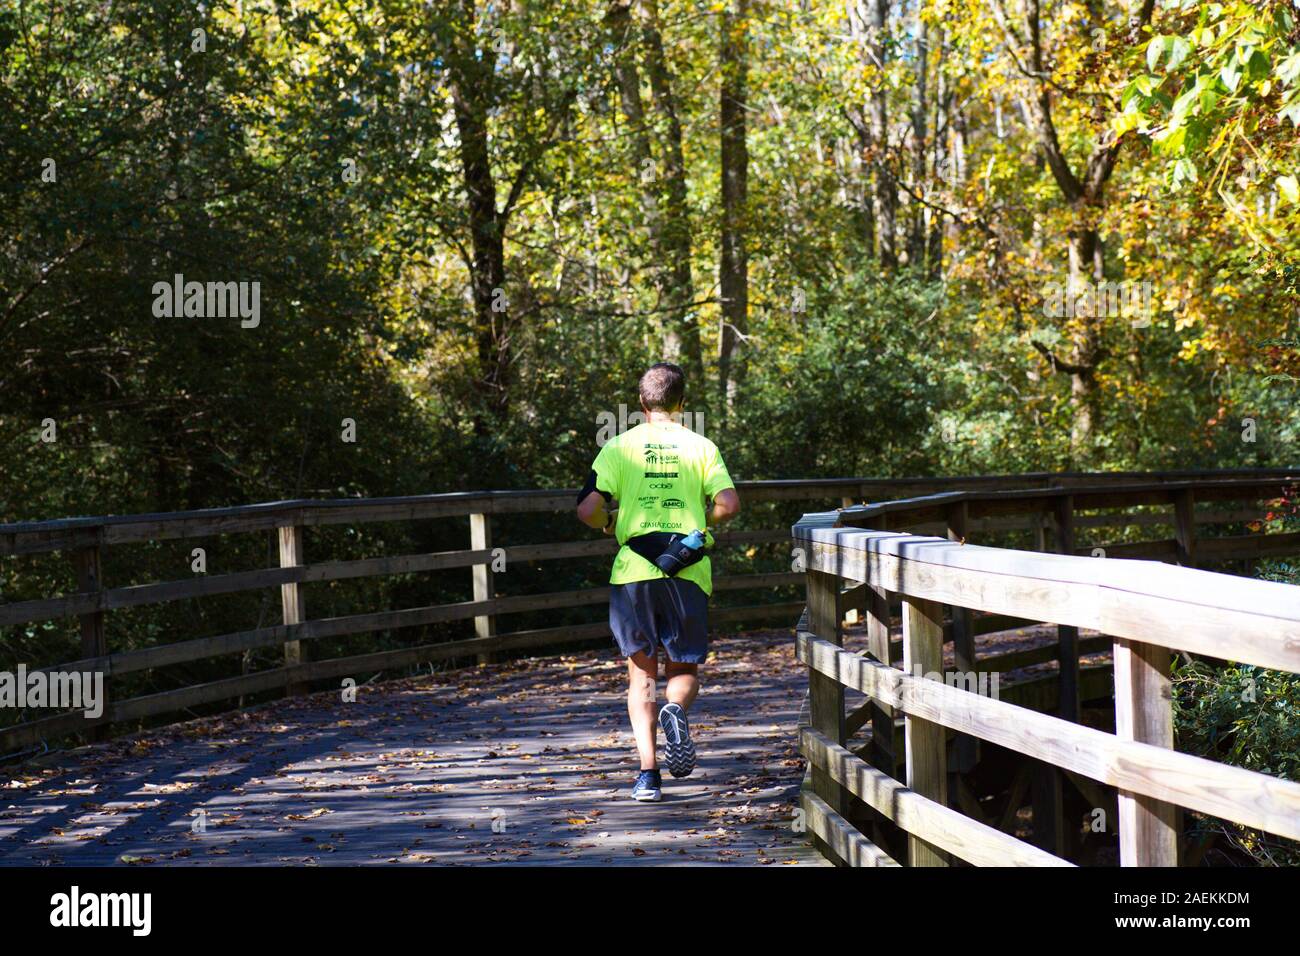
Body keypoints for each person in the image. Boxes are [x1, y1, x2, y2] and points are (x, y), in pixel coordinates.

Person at [575, 363, 741, 801]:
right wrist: (700, 521)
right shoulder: (701, 446)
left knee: (641, 675)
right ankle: (676, 708)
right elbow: (728, 502)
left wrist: (607, 522)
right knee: (683, 668)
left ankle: (648, 774)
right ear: (681, 404)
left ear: (643, 403)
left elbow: (587, 508)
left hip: (634, 574)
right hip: (686, 569)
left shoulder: (618, 447)